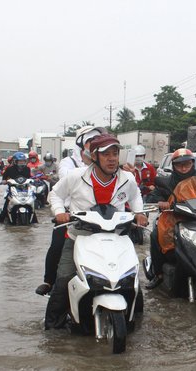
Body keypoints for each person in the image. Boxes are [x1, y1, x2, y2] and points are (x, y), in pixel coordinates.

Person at [44, 134, 148, 329]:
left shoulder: (127, 178)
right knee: (64, 279)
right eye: (105, 154)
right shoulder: (76, 176)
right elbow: (56, 194)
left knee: (131, 280)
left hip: (116, 237)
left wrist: (139, 213)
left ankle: (134, 322)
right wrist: (59, 213)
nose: (111, 158)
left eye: (115, 154)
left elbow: (136, 197)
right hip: (79, 237)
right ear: (94, 156)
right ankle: (52, 328)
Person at [145, 148, 196, 290]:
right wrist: (161, 202)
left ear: (193, 164)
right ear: (173, 166)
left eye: (187, 164)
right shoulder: (168, 181)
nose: (183, 167)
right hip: (173, 221)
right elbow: (154, 196)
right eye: (179, 164)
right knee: (155, 235)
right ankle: (158, 275)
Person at [35, 127, 105, 296]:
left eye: (98, 142)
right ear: (82, 144)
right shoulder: (69, 163)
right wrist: (92, 164)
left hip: (101, 216)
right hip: (71, 216)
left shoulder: (105, 161)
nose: (95, 145)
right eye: (91, 142)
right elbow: (68, 179)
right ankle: (49, 281)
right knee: (58, 245)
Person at [0, 152, 32, 223]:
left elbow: (29, 178)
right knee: (6, 205)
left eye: (23, 161)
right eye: (20, 161)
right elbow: (4, 177)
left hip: (25, 189)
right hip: (13, 189)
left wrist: (33, 180)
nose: (22, 163)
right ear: (15, 161)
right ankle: (0, 221)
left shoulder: (27, 169)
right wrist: (4, 181)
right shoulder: (9, 169)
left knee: (31, 204)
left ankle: (33, 220)